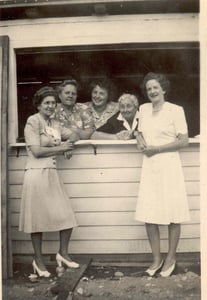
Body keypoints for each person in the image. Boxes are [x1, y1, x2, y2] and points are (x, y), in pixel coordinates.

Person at [19, 86, 80, 278]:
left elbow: (75, 133)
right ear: (38, 104)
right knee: (37, 220)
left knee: (66, 215)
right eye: (47, 103)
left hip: (52, 173)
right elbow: (36, 151)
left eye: (53, 102)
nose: (51, 106)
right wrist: (61, 149)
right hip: (36, 174)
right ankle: (38, 261)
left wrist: (70, 145)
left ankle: (63, 253)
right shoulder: (33, 121)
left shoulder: (54, 123)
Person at [135, 72, 190, 277]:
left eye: (155, 87)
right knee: (150, 214)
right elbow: (139, 132)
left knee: (173, 213)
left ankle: (171, 258)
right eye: (148, 89)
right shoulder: (143, 109)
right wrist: (139, 140)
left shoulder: (175, 110)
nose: (152, 91)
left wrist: (157, 149)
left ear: (163, 89)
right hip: (150, 166)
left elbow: (184, 141)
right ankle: (156, 258)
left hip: (169, 165)